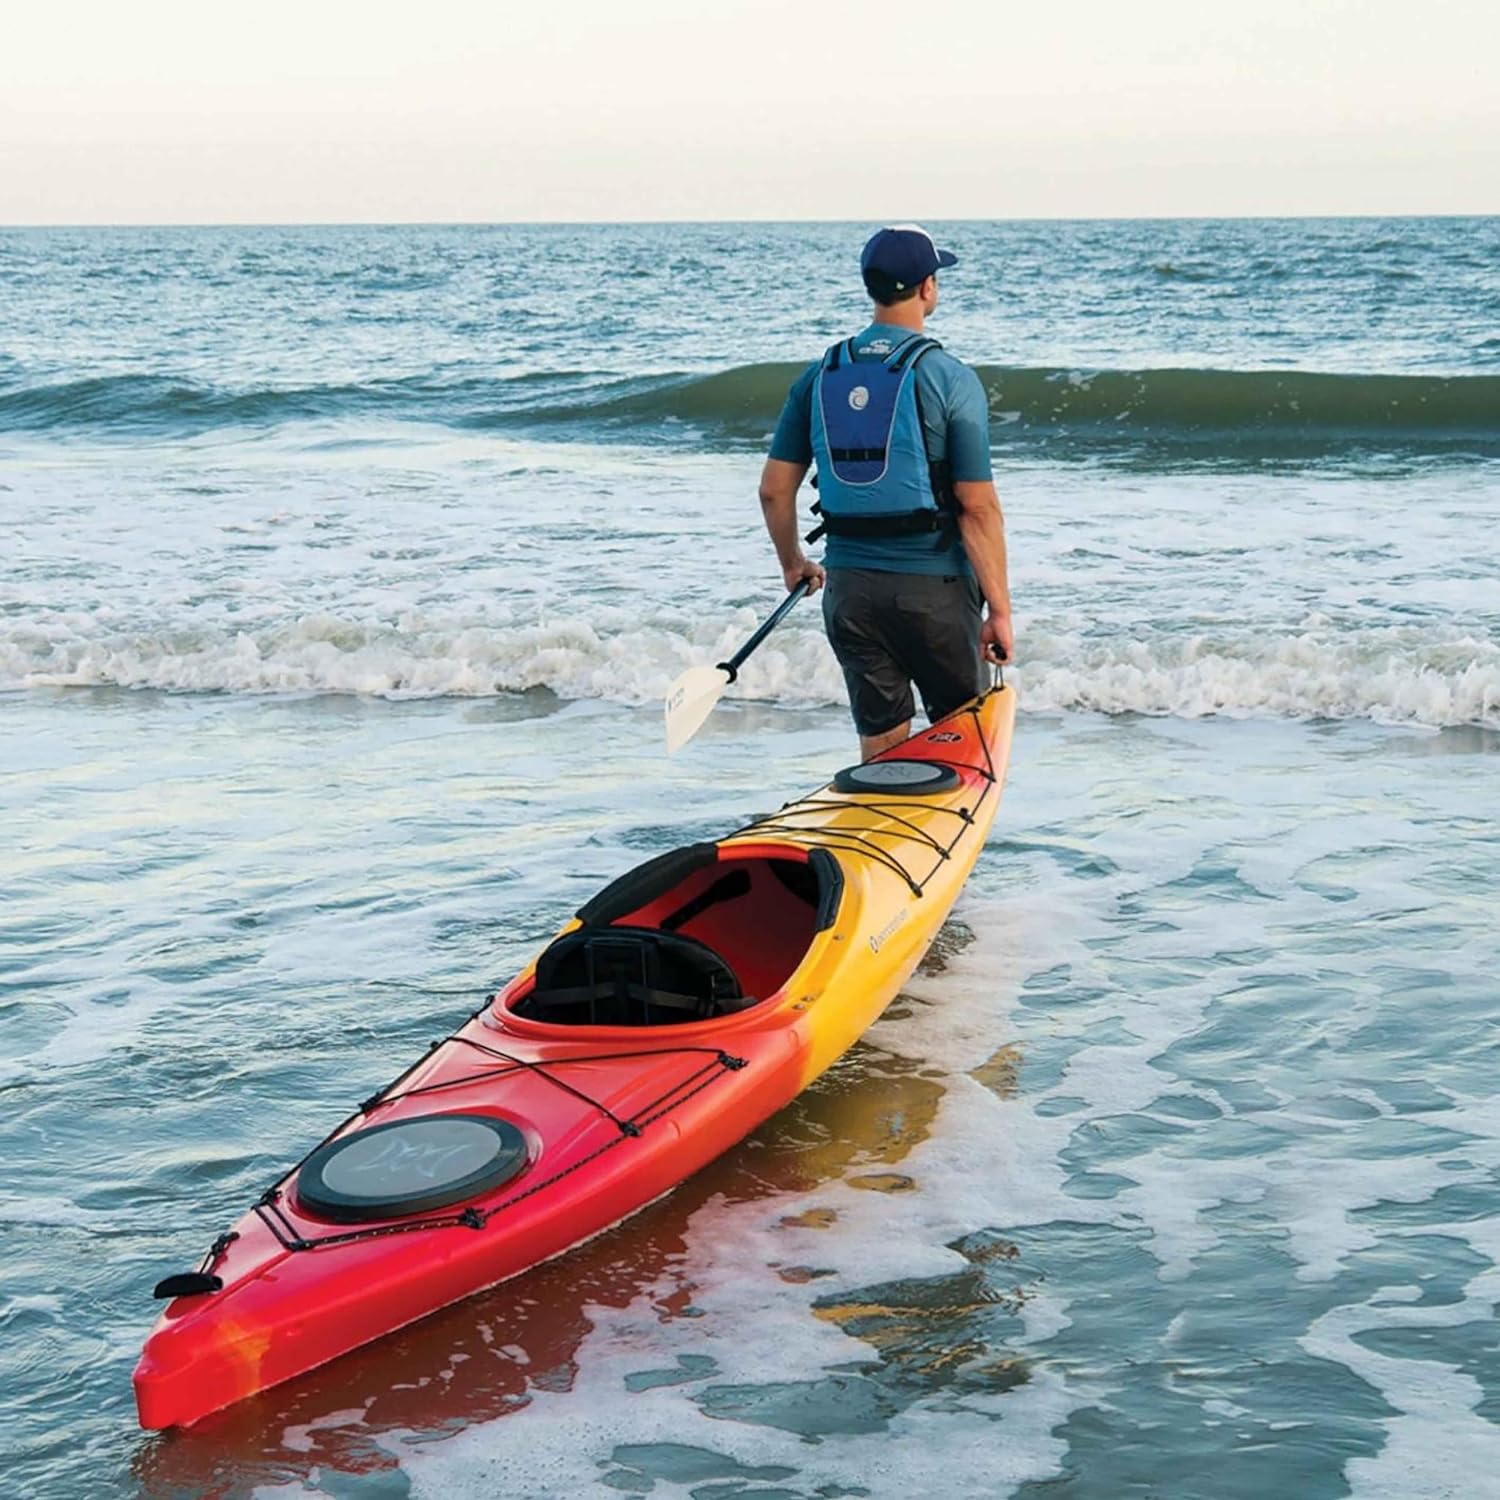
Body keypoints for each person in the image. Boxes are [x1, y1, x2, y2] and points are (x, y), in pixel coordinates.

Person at [757, 225, 1014, 760]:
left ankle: (878, 833)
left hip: (850, 593)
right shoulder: (950, 378)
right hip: (935, 595)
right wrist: (1000, 612)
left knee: (881, 755)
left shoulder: (819, 376)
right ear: (927, 288)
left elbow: (774, 491)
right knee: (962, 754)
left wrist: (793, 563)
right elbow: (977, 507)